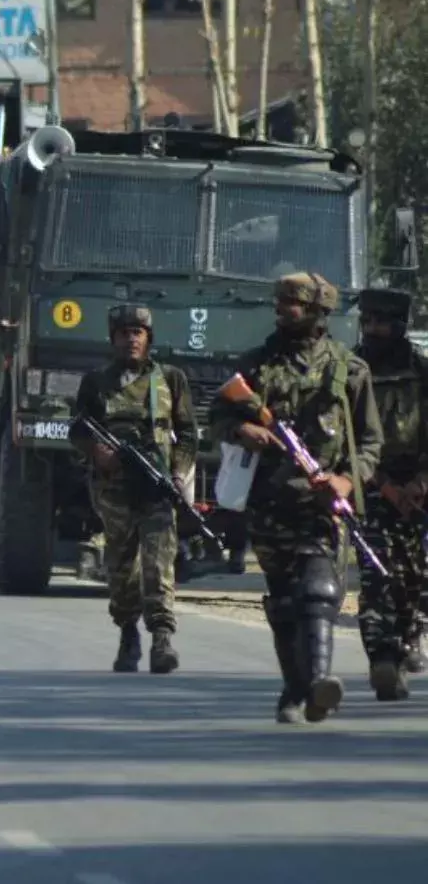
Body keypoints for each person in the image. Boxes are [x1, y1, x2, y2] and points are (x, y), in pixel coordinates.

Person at [210, 272, 383, 724]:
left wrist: (346, 482)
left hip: (323, 506)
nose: (285, 310)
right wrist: (240, 430)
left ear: (319, 312)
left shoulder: (350, 370)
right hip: (269, 501)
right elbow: (219, 413)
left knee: (320, 589)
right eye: (282, 302)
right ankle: (295, 687)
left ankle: (321, 682)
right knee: (284, 601)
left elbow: (369, 445)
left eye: (296, 303)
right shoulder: (257, 365)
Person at [70, 305, 196, 674]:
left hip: (157, 488)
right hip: (115, 492)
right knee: (121, 569)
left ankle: (162, 639)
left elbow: (188, 433)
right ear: (113, 339)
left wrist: (178, 473)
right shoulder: (96, 382)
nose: (131, 338)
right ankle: (128, 633)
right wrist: (98, 451)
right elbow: (77, 428)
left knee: (159, 565)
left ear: (149, 338)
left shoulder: (170, 379)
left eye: (138, 332)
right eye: (124, 332)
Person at [353, 288, 428, 699]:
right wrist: (381, 483)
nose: (373, 330)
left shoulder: (421, 372)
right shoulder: (348, 370)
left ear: (400, 326)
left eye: (383, 322)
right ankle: (382, 657)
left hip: (417, 490)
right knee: (375, 571)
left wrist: (420, 482)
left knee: (412, 576)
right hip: (368, 486)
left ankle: (405, 637)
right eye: (367, 322)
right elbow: (344, 437)